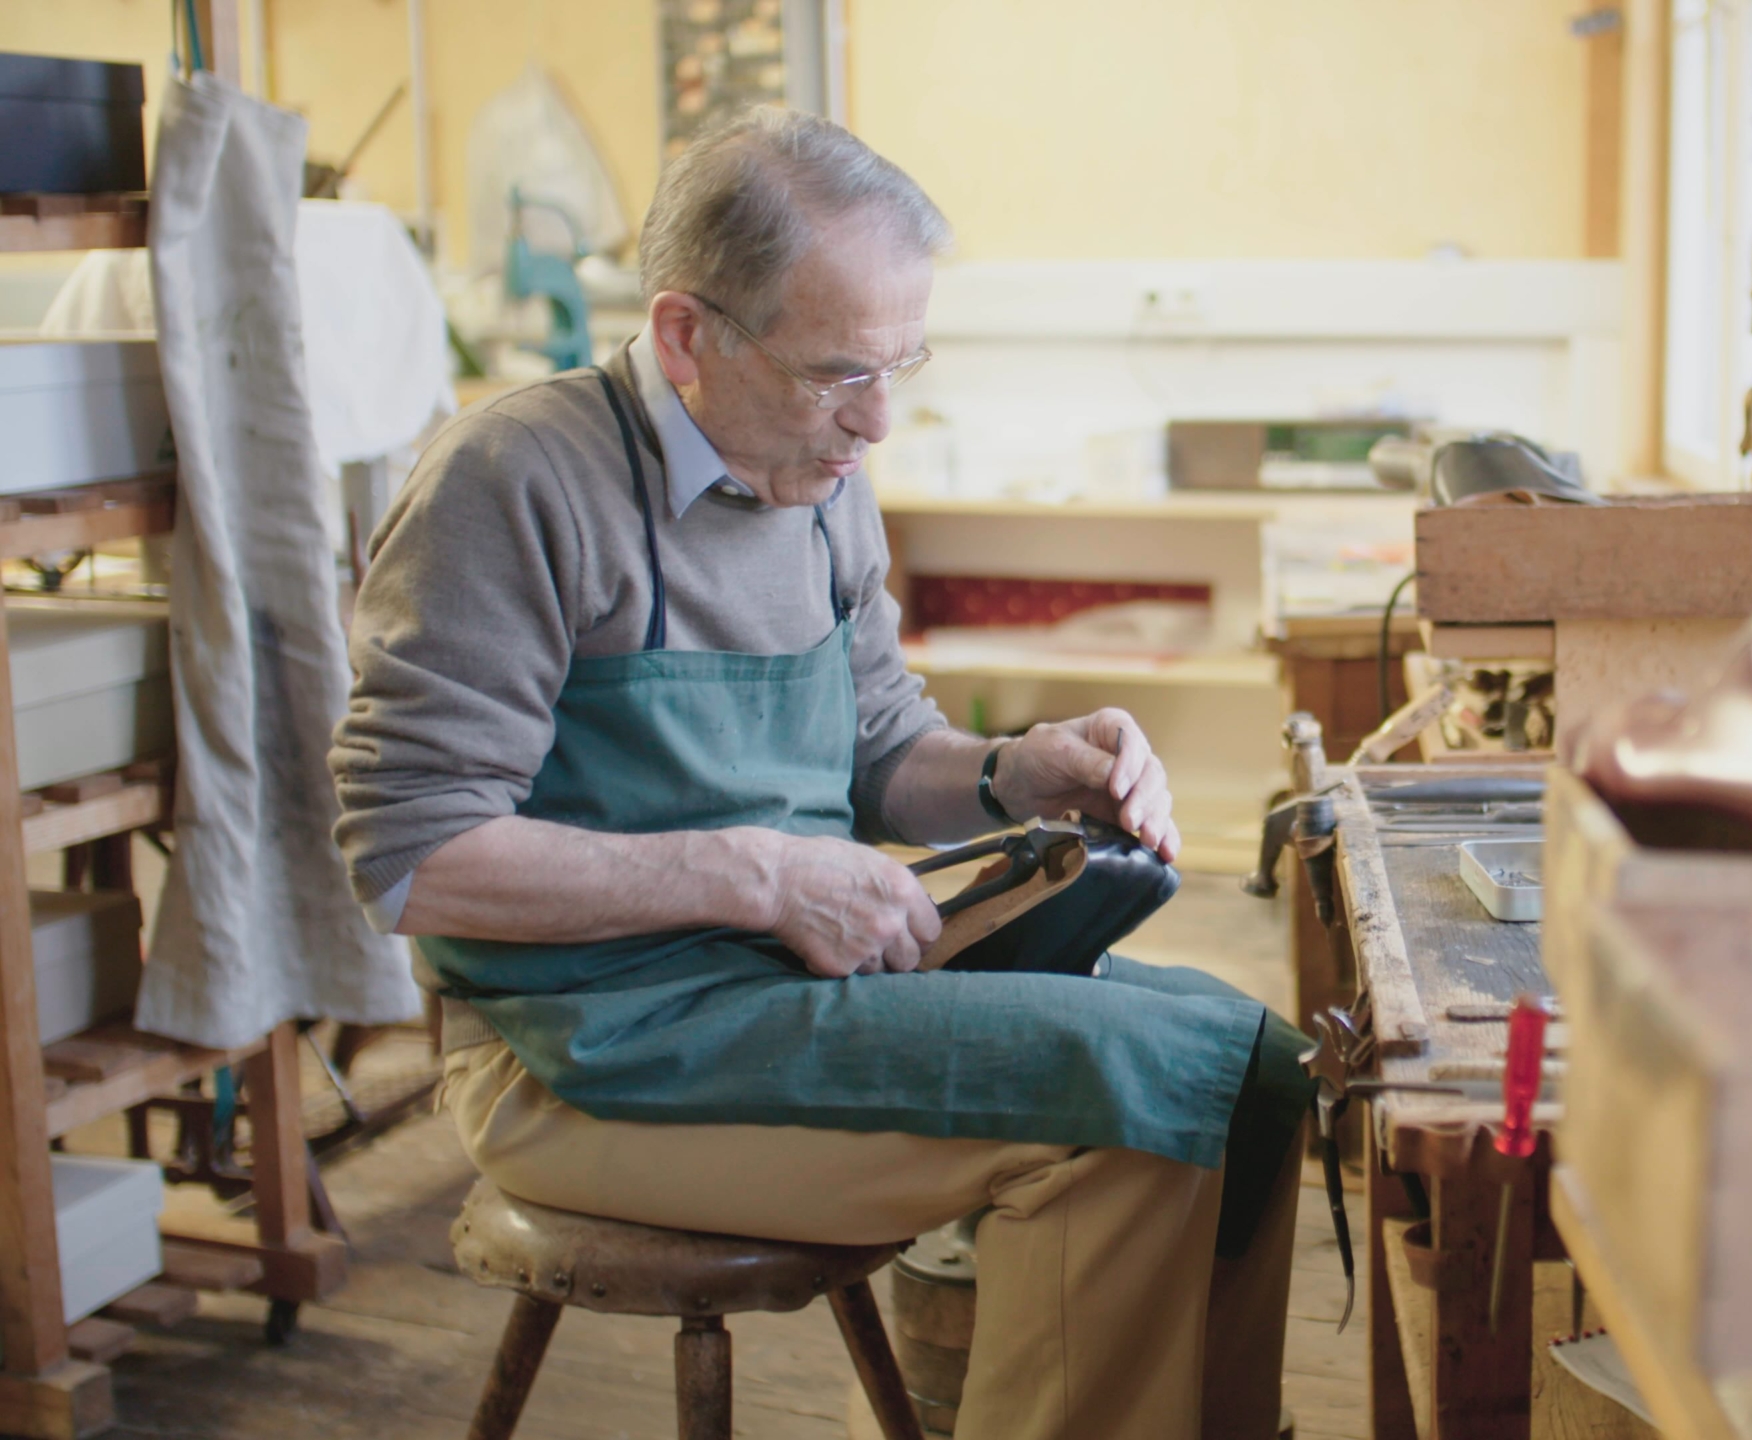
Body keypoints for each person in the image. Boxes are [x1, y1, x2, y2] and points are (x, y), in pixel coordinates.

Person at [329, 108, 1310, 1440]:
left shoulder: (818, 469)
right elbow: (411, 856)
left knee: (1251, 1060)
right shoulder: (515, 481)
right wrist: (755, 875)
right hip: (582, 1053)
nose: (879, 419)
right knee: (1137, 1103)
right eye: (841, 370)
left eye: (903, 364)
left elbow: (883, 746)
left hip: (785, 998)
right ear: (688, 336)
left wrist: (1025, 770)